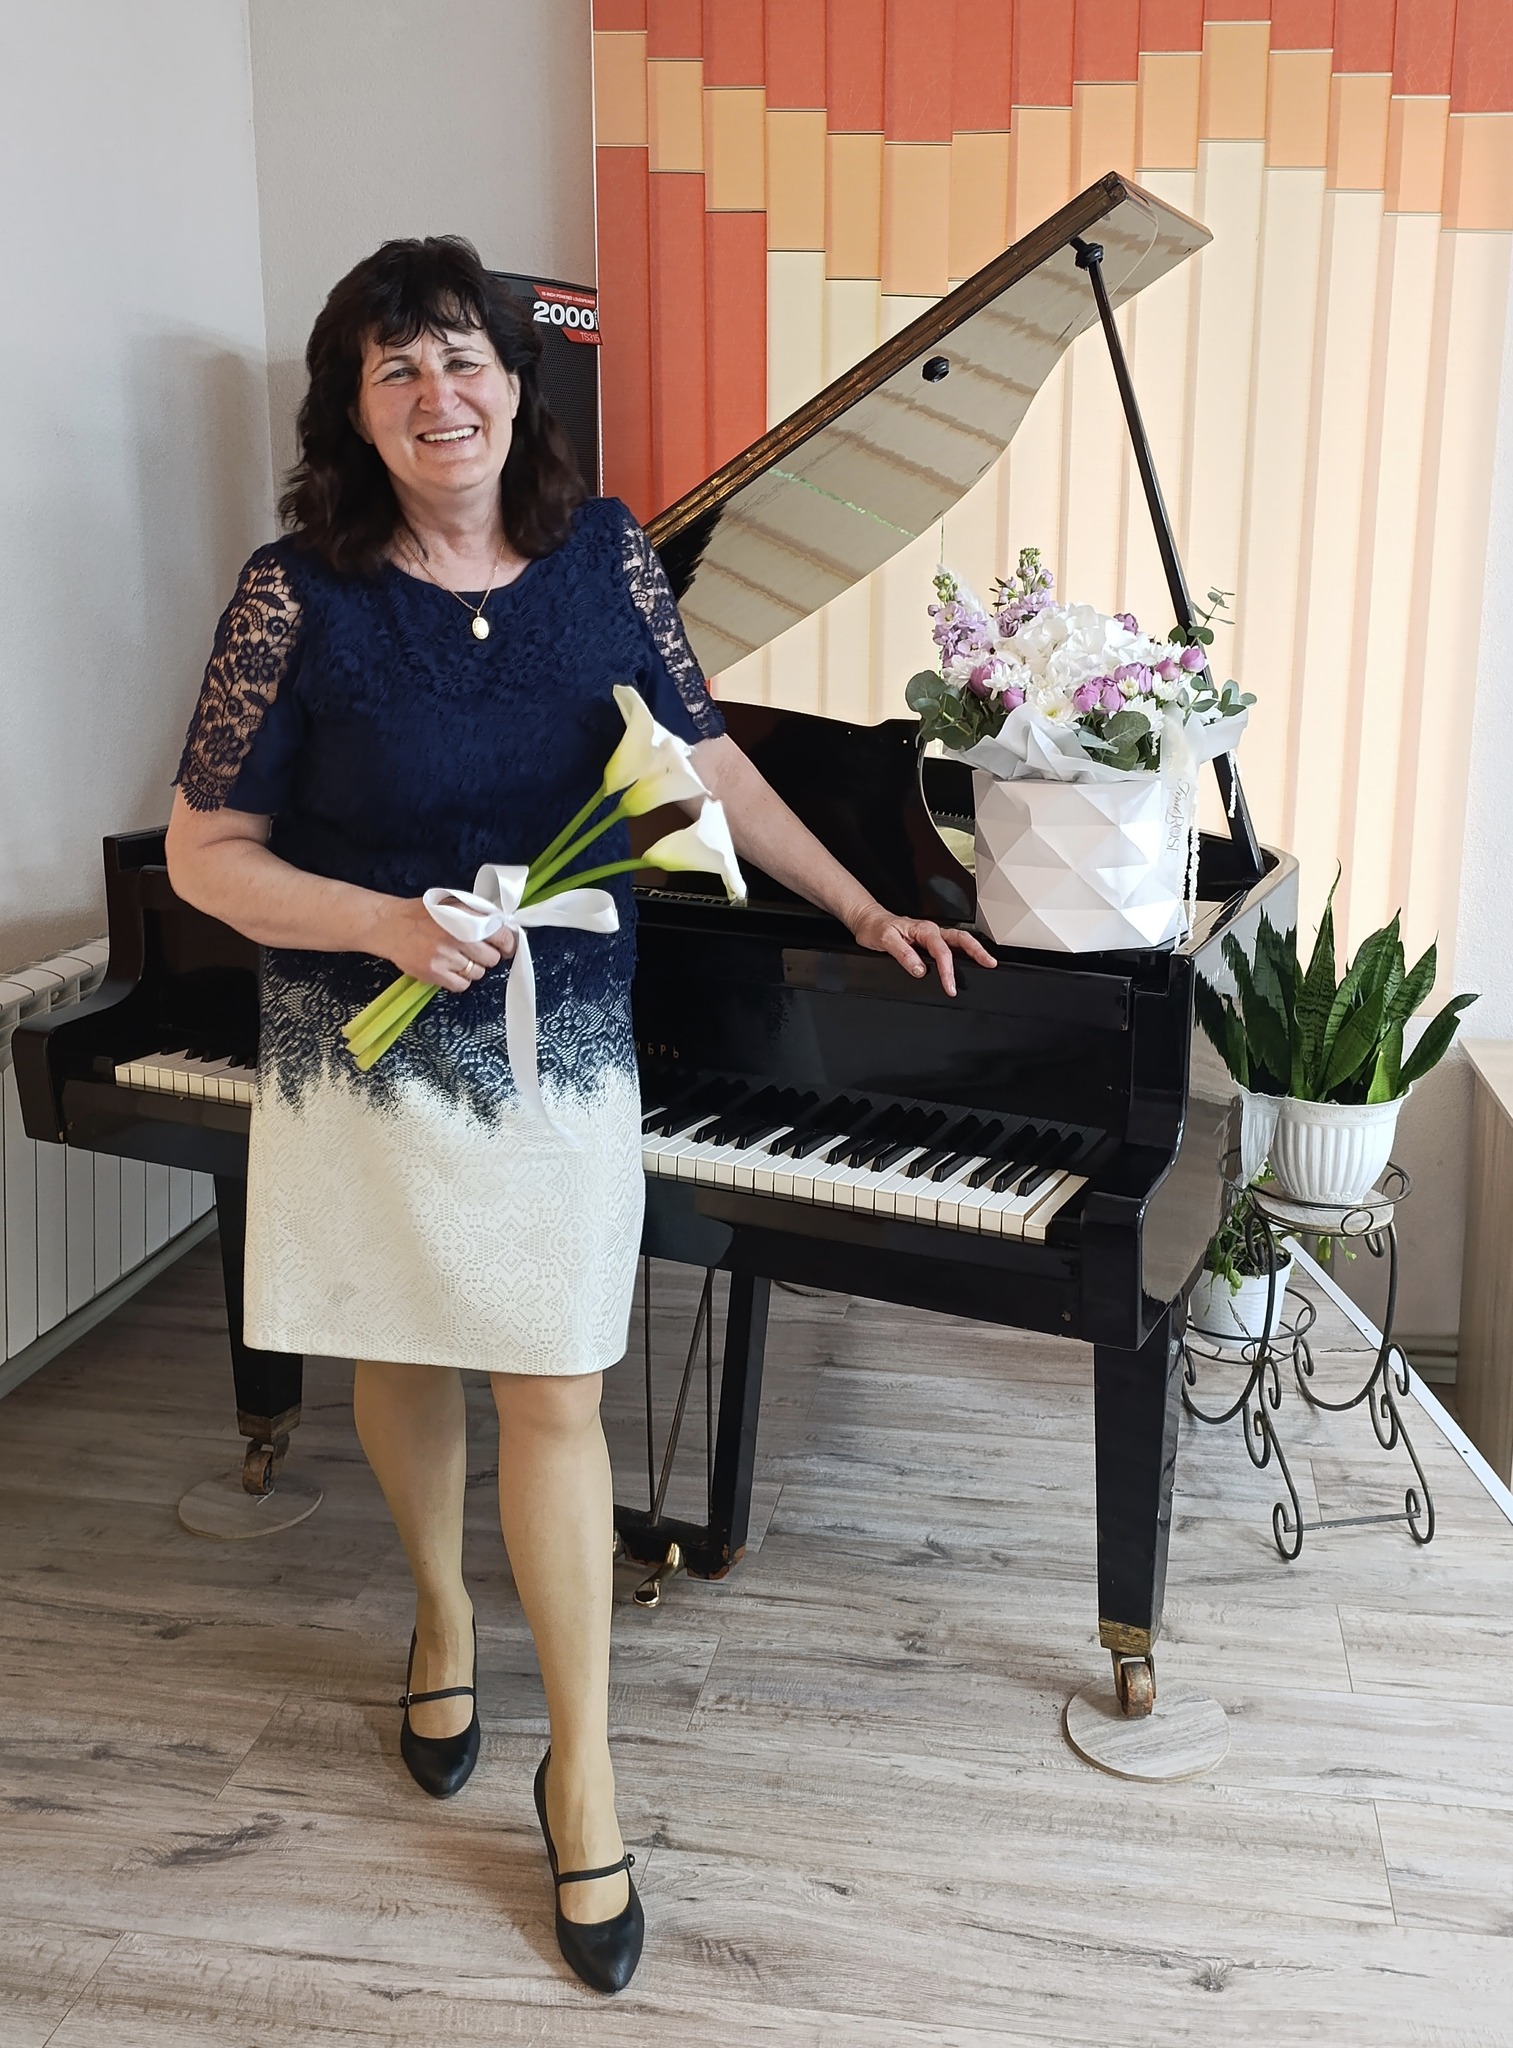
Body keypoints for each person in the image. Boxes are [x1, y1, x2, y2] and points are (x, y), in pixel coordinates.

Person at [166, 235, 992, 1994]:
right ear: (354, 411)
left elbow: (706, 763)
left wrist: (860, 902)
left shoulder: (606, 554)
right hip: (365, 1031)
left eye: (461, 358)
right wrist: (383, 923)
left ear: (513, 382)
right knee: (402, 1345)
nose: (437, 394)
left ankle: (583, 1770)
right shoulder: (294, 592)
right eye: (396, 369)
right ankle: (440, 1616)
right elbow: (205, 853)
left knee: (553, 1377)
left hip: (559, 1039)